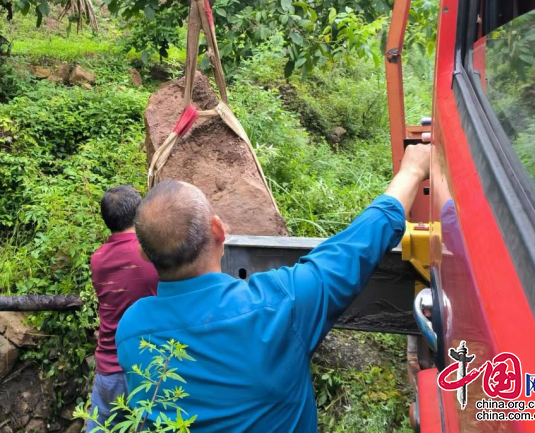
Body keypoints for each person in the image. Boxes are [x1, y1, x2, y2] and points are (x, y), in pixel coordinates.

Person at [116, 144, 431, 432]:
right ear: (217, 230)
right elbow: (355, 249)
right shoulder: (279, 305)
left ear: (143, 253)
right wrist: (413, 170)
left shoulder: (130, 331)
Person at [87, 185, 159, 431]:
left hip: (108, 367)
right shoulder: (151, 255)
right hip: (145, 369)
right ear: (139, 214)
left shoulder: (98, 259)